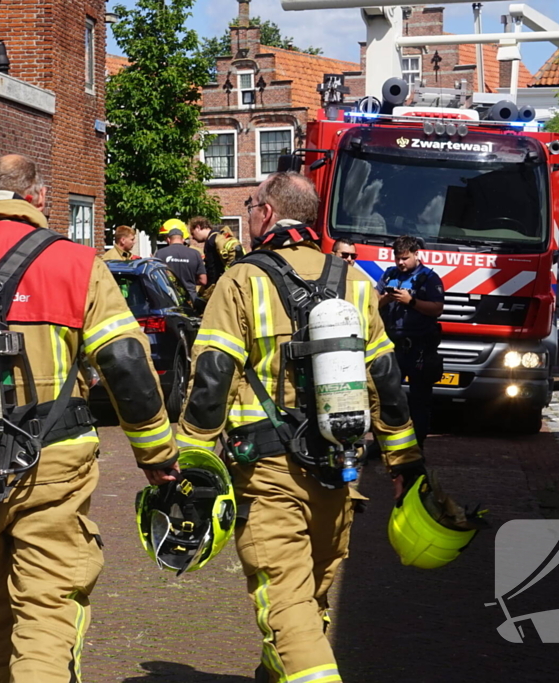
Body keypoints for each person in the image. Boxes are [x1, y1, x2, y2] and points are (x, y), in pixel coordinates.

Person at [0, 155, 179, 683]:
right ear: (39, 198)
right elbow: (126, 364)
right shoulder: (76, 263)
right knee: (46, 612)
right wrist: (156, 456)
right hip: (55, 464)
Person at [176, 172, 424, 683]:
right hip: (339, 470)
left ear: (266, 212)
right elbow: (386, 381)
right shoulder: (355, 281)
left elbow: (213, 377)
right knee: (309, 600)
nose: (246, 216)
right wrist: (405, 464)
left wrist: (191, 462)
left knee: (285, 603)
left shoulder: (242, 280)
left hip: (268, 474)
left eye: (249, 206)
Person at [376, 234, 445, 446]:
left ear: (416, 254)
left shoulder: (429, 278)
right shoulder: (389, 275)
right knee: (386, 398)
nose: (400, 262)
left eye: (405, 258)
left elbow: (437, 308)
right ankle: (384, 444)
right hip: (393, 346)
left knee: (419, 401)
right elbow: (374, 302)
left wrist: (411, 301)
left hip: (419, 348)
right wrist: (387, 298)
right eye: (397, 258)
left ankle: (418, 444)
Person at [188, 215, 244, 300]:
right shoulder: (219, 236)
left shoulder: (210, 241)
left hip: (218, 287)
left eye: (192, 233)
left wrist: (208, 290)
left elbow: (212, 270)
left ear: (198, 227)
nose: (193, 237)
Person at [155, 222, 206, 302]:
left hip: (169, 298)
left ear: (168, 239)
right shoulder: (195, 253)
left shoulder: (160, 253)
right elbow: (203, 280)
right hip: (190, 298)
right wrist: (191, 280)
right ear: (183, 239)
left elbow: (156, 277)